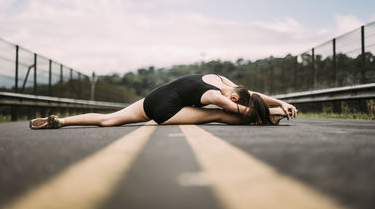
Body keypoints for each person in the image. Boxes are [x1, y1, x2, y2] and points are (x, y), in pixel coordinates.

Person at [30, 74, 298, 129]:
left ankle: (61, 121)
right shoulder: (219, 97)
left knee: (109, 119)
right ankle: (270, 118)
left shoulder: (220, 80)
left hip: (154, 97)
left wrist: (279, 101)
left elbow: (253, 97)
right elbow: (243, 108)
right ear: (235, 96)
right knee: (222, 116)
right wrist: (274, 108)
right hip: (167, 109)